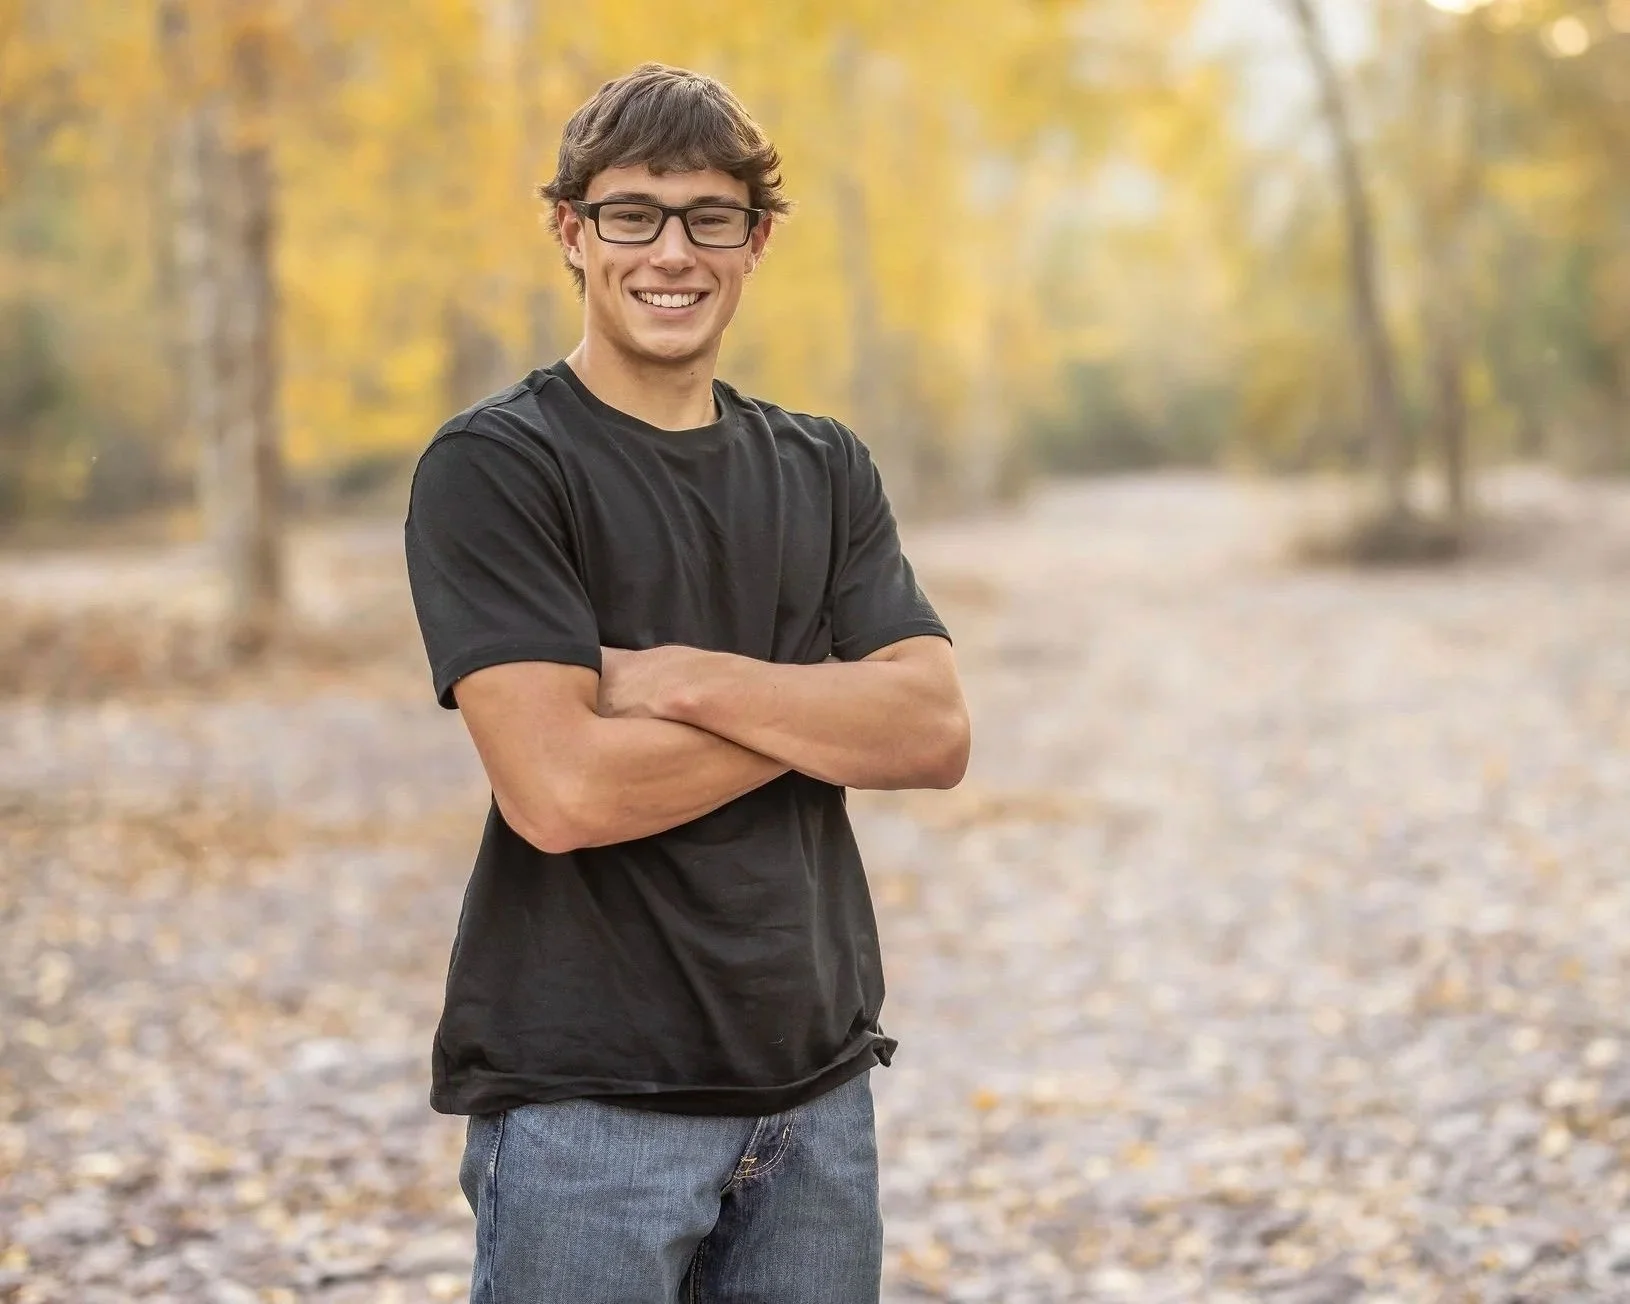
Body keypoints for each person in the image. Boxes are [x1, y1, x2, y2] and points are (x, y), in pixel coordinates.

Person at [403, 61, 970, 1304]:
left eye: (710, 217)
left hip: (817, 1092)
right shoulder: (498, 466)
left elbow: (930, 730)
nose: (673, 252)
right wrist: (823, 706)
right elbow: (561, 792)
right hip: (587, 1106)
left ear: (755, 240)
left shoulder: (825, 466)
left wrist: (688, 680)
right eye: (632, 215)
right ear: (572, 230)